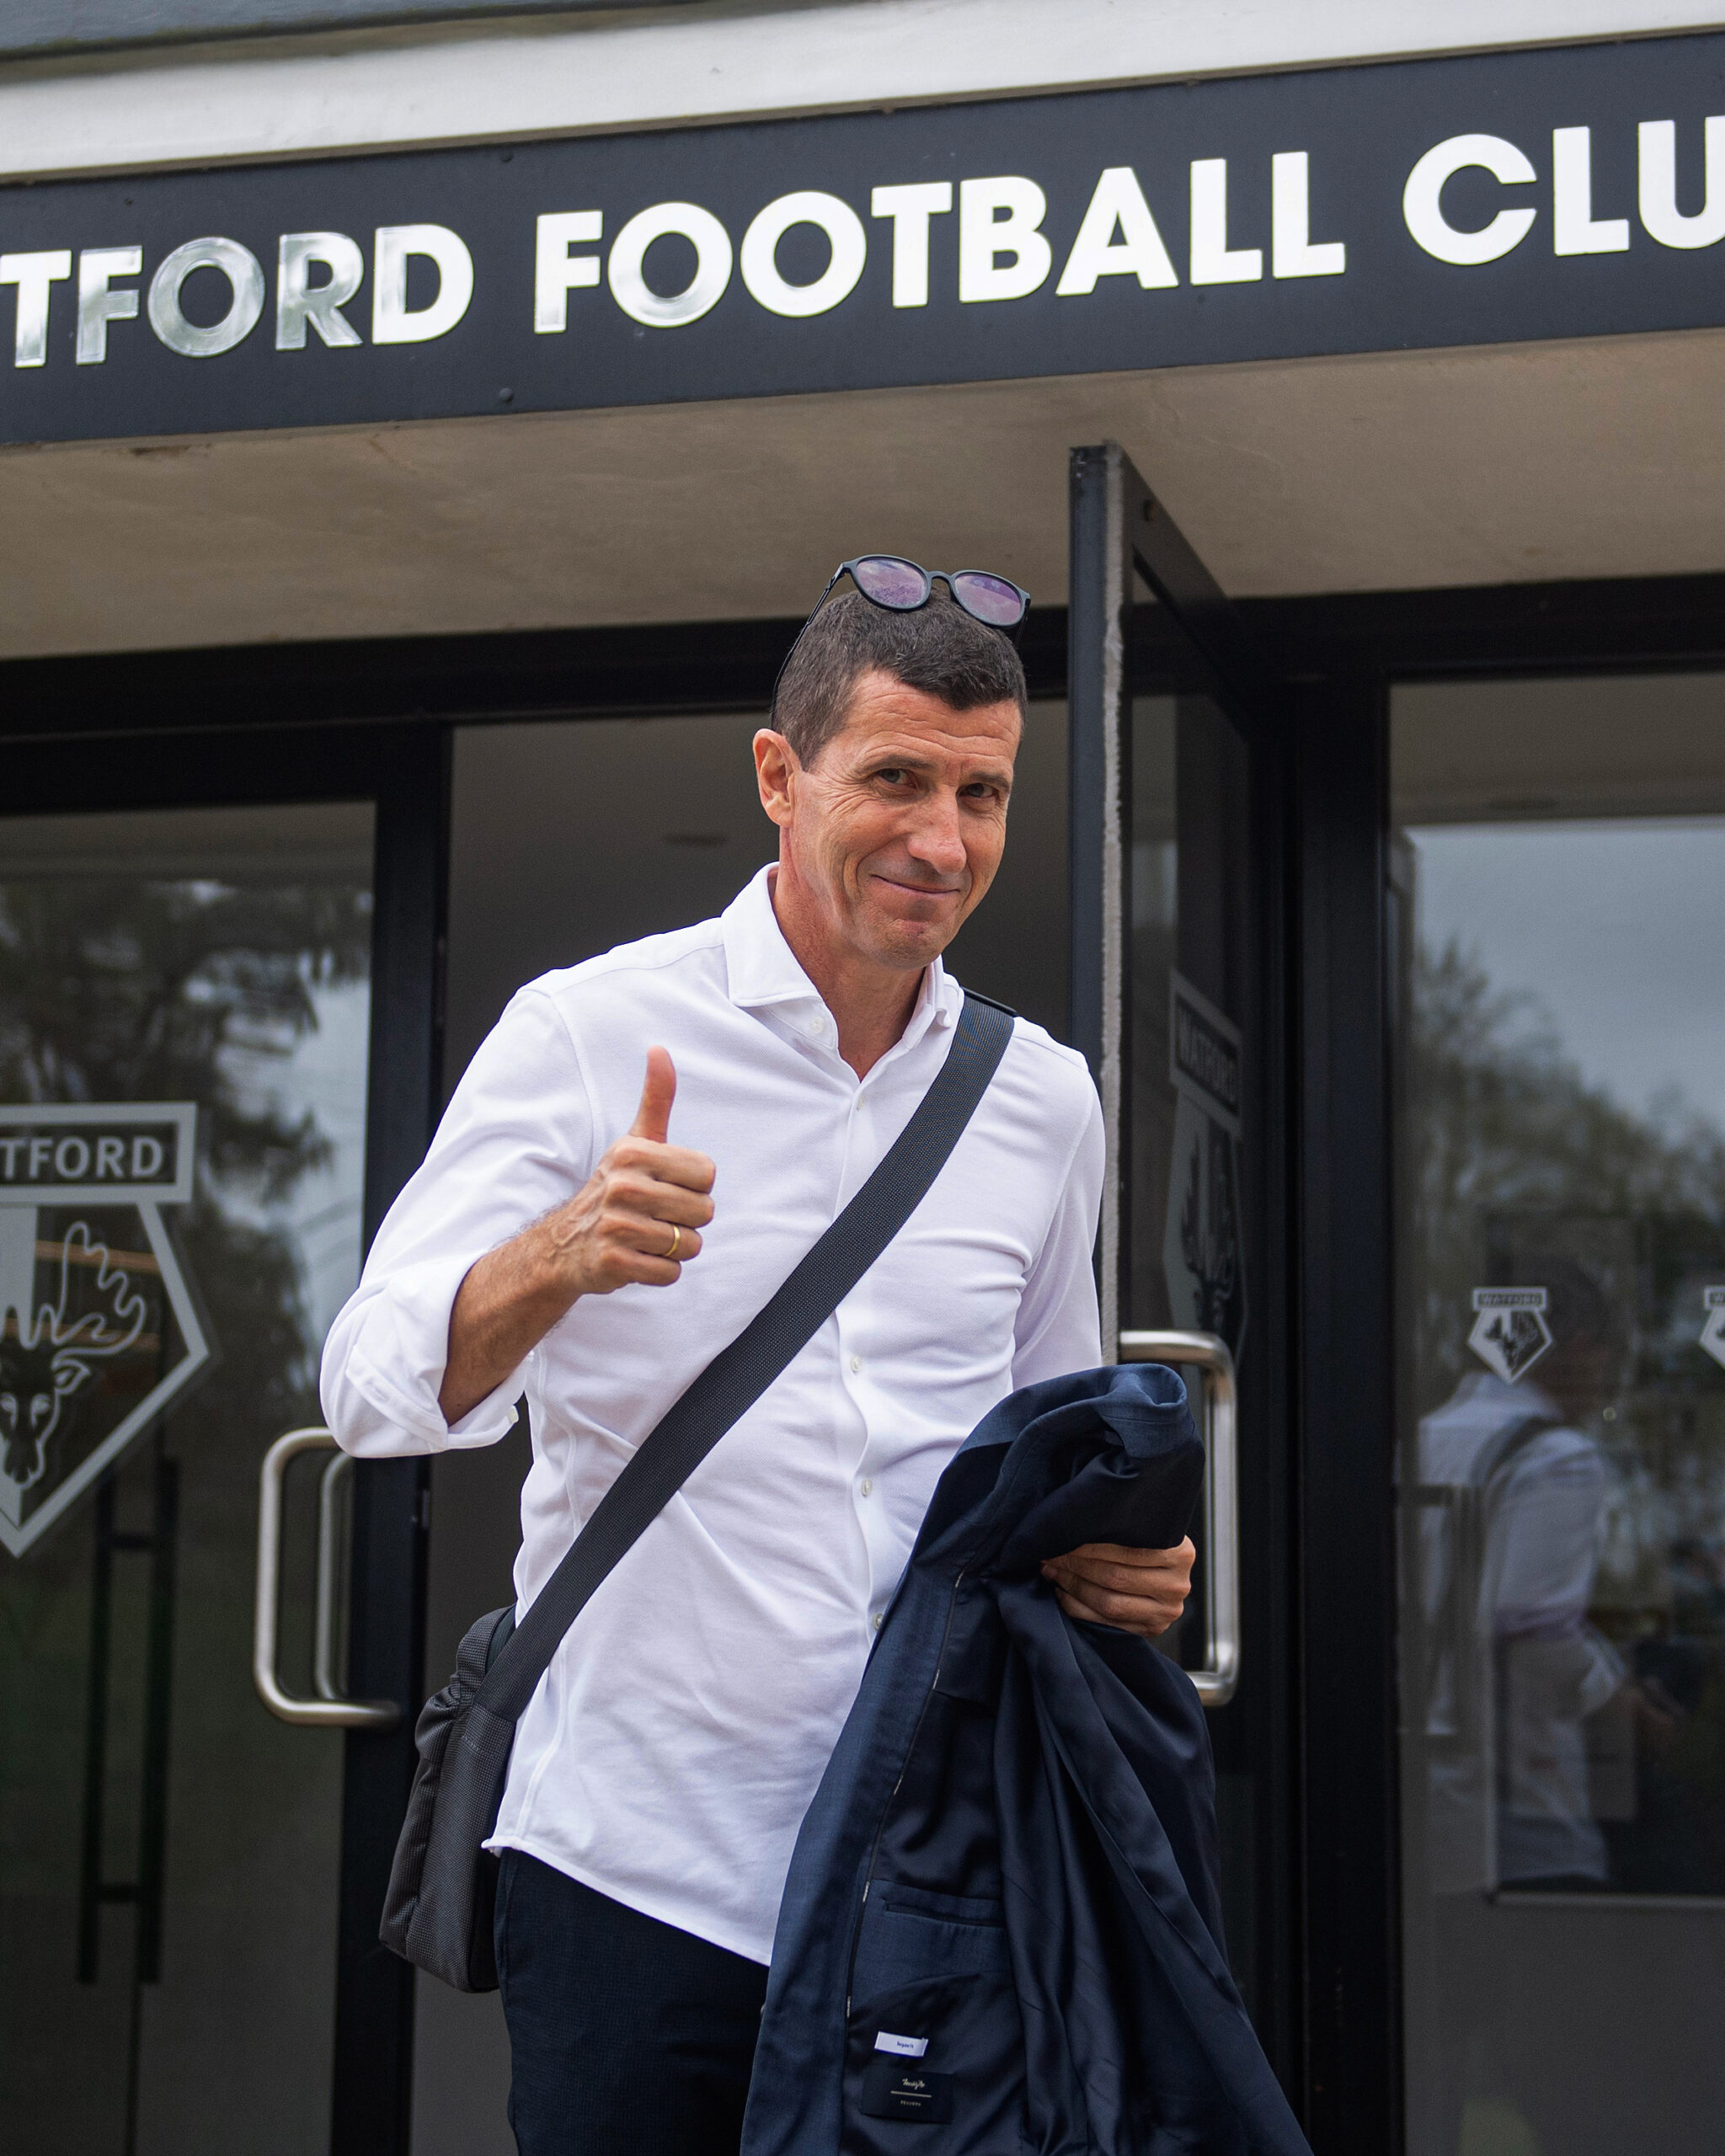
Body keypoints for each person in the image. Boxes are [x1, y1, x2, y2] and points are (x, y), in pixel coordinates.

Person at [321, 563, 1196, 2156]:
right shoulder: (590, 1032)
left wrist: (1116, 1565)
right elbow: (370, 1386)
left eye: (984, 791)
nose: (945, 840)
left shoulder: (1039, 1099)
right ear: (779, 776)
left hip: (928, 1862)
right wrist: (553, 1259)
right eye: (897, 779)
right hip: (636, 1867)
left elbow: (1038, 1447)